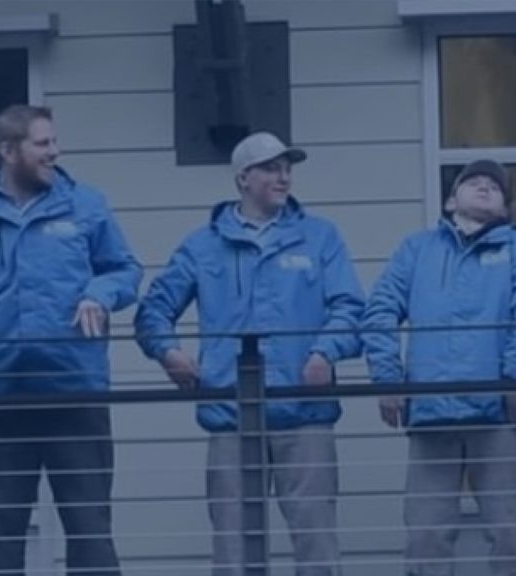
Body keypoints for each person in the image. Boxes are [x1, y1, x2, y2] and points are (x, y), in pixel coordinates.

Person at [134, 132, 366, 576]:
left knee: (317, 544)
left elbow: (352, 309)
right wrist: (169, 353)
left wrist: (325, 352)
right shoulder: (202, 245)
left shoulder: (321, 237)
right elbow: (154, 310)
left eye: (287, 168)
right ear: (243, 178)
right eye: (271, 168)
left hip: (305, 413)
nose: (284, 177)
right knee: (233, 550)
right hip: (231, 414)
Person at [0, 104, 140, 576]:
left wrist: (99, 294)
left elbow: (124, 270)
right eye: (42, 143)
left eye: (55, 141)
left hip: (74, 387)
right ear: (8, 150)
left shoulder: (87, 204)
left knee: (89, 529)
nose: (55, 152)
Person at [363, 159, 516, 576]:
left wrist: (513, 379)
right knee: (425, 537)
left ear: (505, 208)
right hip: (430, 412)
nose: (485, 187)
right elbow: (380, 309)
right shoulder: (417, 249)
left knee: (509, 534)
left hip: (496, 413)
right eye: (474, 182)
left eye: (495, 186)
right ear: (452, 201)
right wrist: (387, 377)